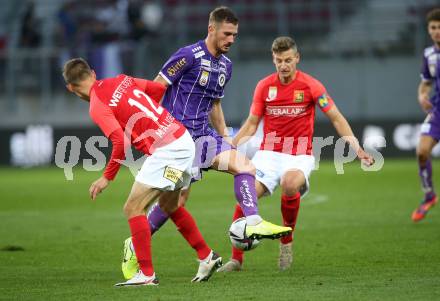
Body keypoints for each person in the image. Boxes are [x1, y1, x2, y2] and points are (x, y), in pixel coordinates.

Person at [121, 6, 292, 279]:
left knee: (244, 166)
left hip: (205, 137)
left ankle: (253, 221)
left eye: (235, 35)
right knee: (171, 203)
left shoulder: (226, 66)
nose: (231, 40)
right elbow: (155, 88)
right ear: (211, 29)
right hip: (177, 141)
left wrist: (224, 136)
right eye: (227, 34)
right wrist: (149, 129)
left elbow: (214, 102)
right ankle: (135, 244)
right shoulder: (187, 56)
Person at [217, 36, 374, 272]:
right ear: (273, 59)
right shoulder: (264, 86)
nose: (283, 65)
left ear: (297, 58)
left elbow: (336, 117)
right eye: (279, 60)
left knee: (290, 184)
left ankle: (286, 242)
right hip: (268, 153)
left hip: (299, 154)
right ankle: (236, 259)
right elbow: (251, 124)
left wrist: (356, 148)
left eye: (288, 60)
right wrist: (230, 146)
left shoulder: (311, 86)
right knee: (246, 192)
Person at [63, 58, 223, 286]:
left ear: (71, 88)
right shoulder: (122, 80)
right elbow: (157, 89)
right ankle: (207, 256)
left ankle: (146, 274)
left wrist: (106, 177)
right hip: (182, 140)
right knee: (169, 206)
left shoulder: (97, 105)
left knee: (132, 207)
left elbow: (120, 141)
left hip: (167, 150)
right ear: (94, 73)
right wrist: (151, 120)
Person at [412, 8, 440, 222]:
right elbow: (426, 83)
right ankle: (429, 195)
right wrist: (422, 95)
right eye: (433, 27)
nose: (437, 31)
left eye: (439, 27)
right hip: (437, 111)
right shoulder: (428, 54)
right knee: (422, 152)